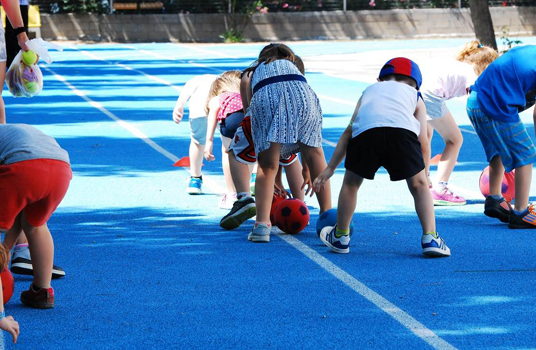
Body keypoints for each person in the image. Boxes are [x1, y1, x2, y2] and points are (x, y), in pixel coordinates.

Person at [313, 57, 450, 257]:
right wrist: (425, 173)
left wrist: (329, 169)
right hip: (402, 136)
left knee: (351, 184)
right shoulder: (415, 95)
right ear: (415, 83)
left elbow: (347, 133)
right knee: (419, 186)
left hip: (367, 135)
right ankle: (430, 237)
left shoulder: (368, 91)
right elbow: (423, 140)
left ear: (381, 79)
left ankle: (341, 236)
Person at [241, 43, 332, 243]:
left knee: (267, 166)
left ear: (261, 58)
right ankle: (329, 218)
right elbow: (305, 139)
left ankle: (262, 226)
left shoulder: (251, 72)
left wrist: (265, 159)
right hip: (304, 94)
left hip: (266, 95)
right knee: (315, 152)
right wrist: (306, 169)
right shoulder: (294, 68)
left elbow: (249, 114)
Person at [220, 55, 312, 230]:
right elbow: (308, 145)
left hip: (259, 117)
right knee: (291, 160)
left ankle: (245, 199)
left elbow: (248, 108)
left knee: (234, 153)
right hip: (289, 122)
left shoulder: (251, 73)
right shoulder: (299, 86)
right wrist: (306, 170)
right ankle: (301, 206)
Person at [0, 123, 72, 310]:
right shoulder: (11, 131)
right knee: (35, 225)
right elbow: (18, 209)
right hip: (61, 170)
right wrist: (6, 248)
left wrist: (4, 252)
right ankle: (42, 291)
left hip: (23, 166)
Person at [466, 45, 536, 229]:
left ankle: (495, 198)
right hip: (493, 106)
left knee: (497, 152)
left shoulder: (529, 51)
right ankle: (521, 213)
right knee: (526, 154)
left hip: (474, 101)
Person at [422, 40, 498, 206]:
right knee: (455, 140)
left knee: (425, 137)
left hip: (416, 91)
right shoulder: (474, 74)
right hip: (430, 95)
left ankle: (423, 181)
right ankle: (440, 189)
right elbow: (477, 103)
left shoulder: (458, 66)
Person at [172, 74, 218, 195]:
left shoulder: (194, 81)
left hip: (199, 110)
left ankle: (195, 179)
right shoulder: (224, 79)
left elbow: (183, 96)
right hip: (221, 106)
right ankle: (251, 177)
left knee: (197, 142)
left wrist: (179, 106)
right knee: (232, 143)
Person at [203, 70, 242, 209]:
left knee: (227, 152)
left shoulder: (218, 98)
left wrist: (209, 141)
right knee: (248, 155)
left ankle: (232, 194)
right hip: (251, 120)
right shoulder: (244, 94)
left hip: (232, 121)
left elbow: (213, 114)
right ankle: (249, 191)